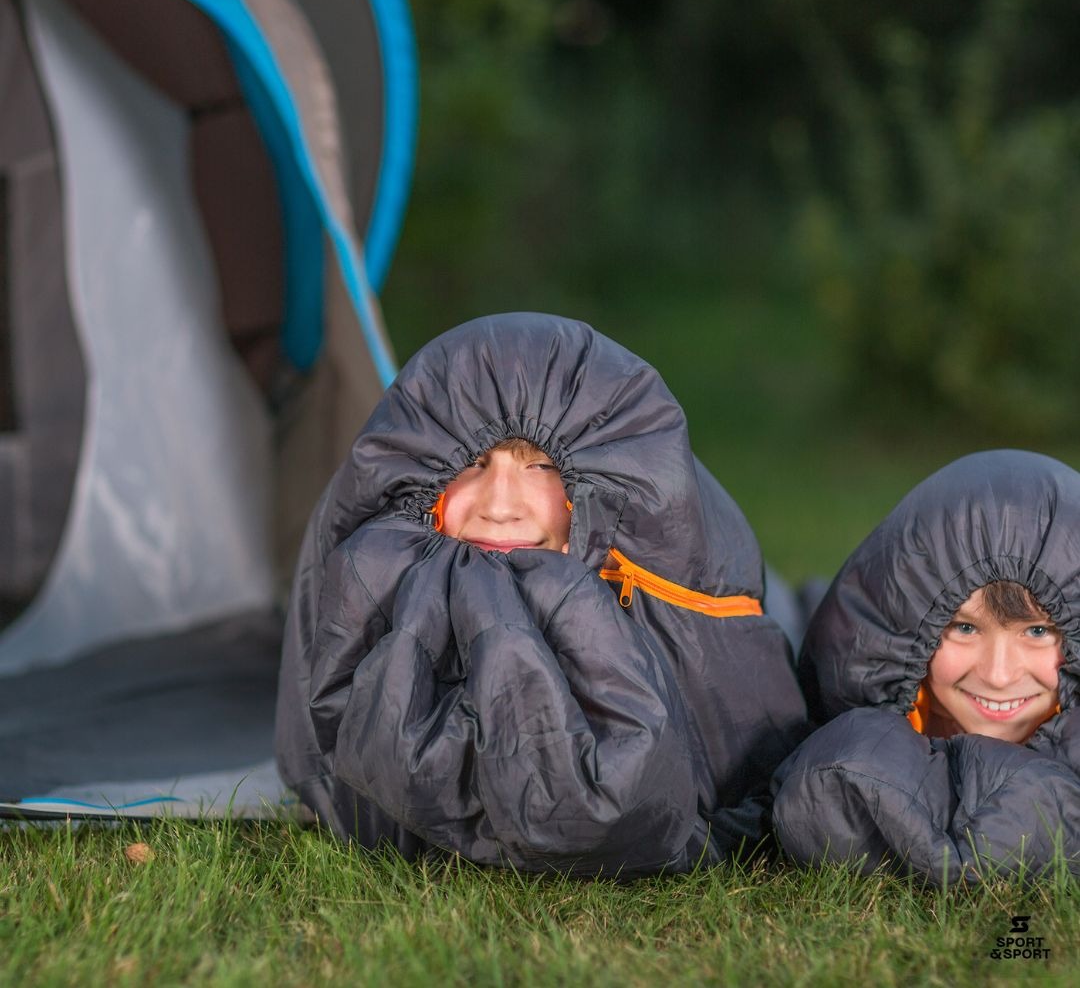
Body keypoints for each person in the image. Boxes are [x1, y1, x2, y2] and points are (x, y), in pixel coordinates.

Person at [275, 312, 808, 876]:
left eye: (541, 467)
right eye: (474, 463)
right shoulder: (380, 567)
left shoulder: (655, 574)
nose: (499, 503)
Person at [771, 450, 1080, 882]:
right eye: (965, 629)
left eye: (1036, 632)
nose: (999, 674)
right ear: (908, 623)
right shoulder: (874, 712)